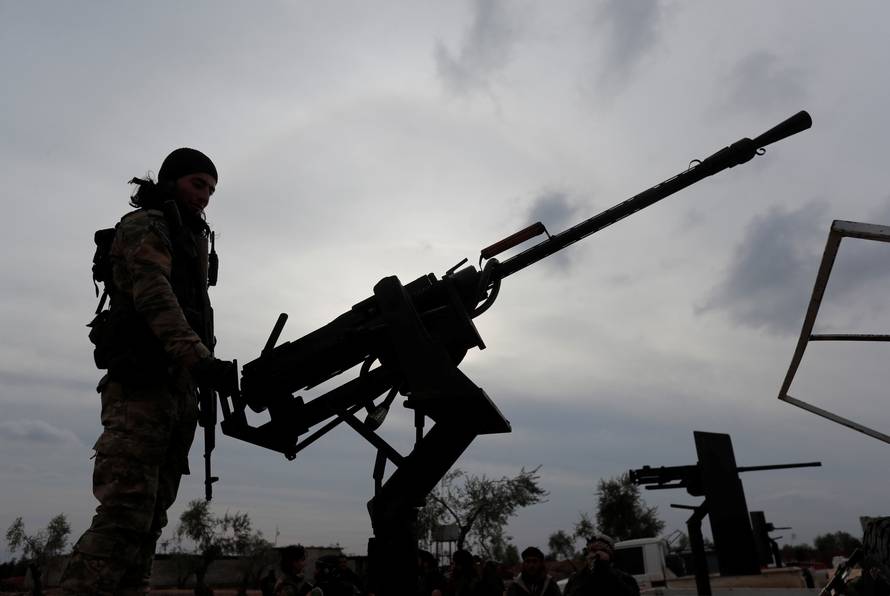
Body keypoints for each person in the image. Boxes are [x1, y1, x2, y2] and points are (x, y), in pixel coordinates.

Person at [61, 148, 236, 596]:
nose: (206, 198)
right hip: (140, 387)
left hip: (178, 388)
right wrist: (198, 357)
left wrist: (201, 367)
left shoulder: (190, 236)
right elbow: (154, 296)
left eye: (212, 190)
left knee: (152, 518)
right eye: (199, 184)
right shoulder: (145, 226)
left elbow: (192, 310)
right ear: (172, 180)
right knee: (125, 514)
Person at [563, 535, 639, 596]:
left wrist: (606, 570)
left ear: (610, 555)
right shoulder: (576, 579)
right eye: (592, 550)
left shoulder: (625, 578)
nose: (596, 554)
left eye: (602, 550)